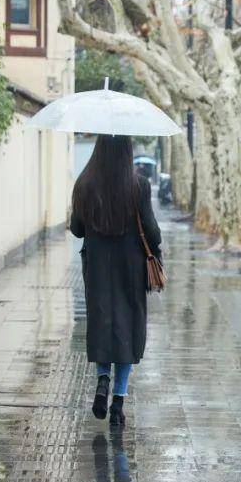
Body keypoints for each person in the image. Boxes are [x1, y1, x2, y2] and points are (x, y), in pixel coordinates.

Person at [70, 135, 161, 427]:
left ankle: (102, 380)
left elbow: (76, 229)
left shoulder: (84, 184)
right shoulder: (139, 186)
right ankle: (118, 403)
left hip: (97, 268)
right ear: (127, 151)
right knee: (127, 327)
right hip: (130, 269)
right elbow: (153, 231)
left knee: (102, 322)